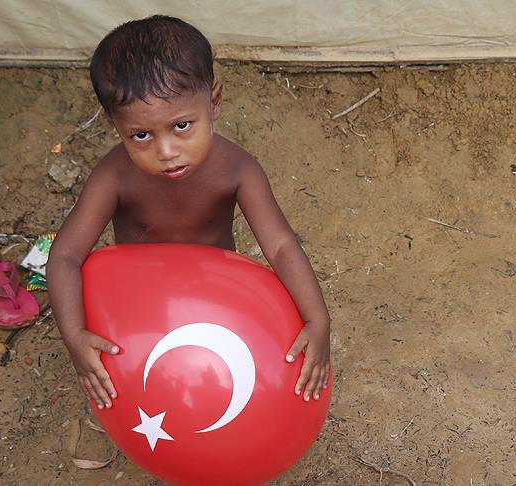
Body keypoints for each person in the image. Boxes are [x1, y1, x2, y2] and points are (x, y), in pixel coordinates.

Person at [46, 15, 331, 411]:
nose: (166, 152)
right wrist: (74, 335)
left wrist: (318, 320)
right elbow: (64, 255)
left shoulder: (237, 169)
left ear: (213, 102)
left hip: (217, 302)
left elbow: (281, 246)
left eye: (182, 126)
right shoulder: (114, 176)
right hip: (141, 307)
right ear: (116, 125)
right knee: (156, 391)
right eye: (141, 135)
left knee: (215, 389)